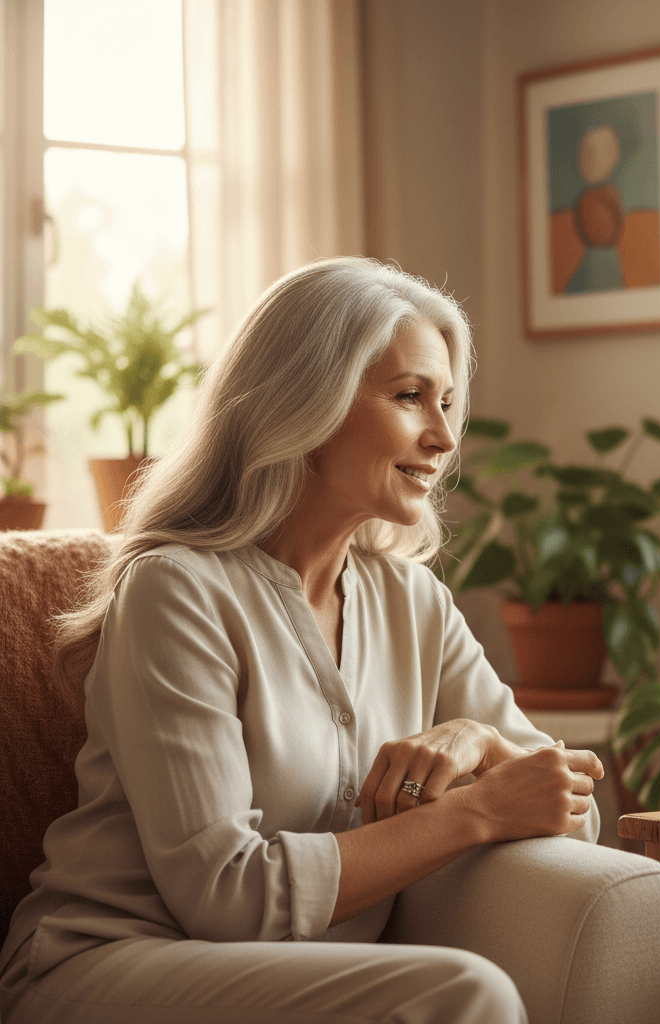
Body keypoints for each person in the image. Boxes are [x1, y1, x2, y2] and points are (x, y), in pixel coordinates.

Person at [0, 257, 605, 1024]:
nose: (444, 437)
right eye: (410, 396)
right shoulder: (177, 590)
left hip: (312, 974)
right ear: (304, 400)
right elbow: (227, 898)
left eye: (448, 403)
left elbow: (570, 808)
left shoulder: (414, 602)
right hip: (107, 963)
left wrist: (479, 741)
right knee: (465, 993)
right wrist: (472, 814)